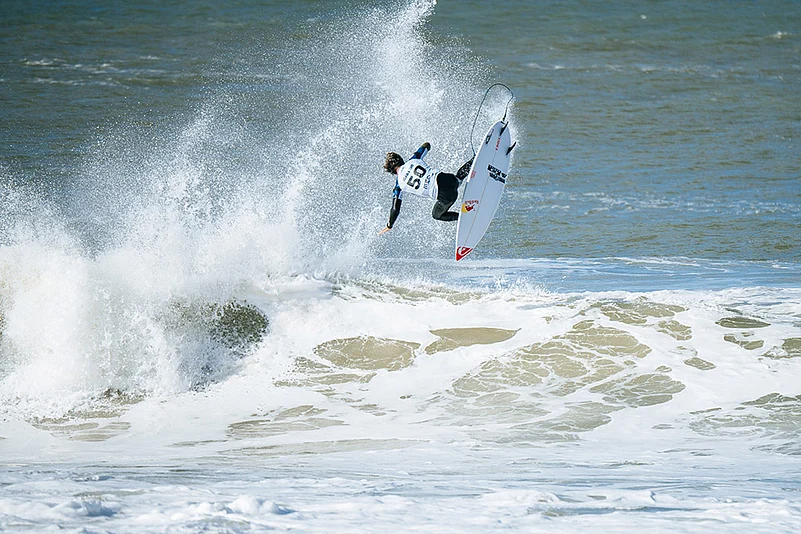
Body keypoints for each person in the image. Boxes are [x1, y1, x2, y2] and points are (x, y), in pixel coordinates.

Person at [378, 142, 473, 235]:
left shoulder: (399, 186)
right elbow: (426, 145)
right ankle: (474, 161)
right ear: (401, 159)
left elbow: (395, 209)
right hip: (449, 179)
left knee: (436, 215)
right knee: (458, 178)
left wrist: (389, 225)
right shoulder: (414, 159)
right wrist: (422, 147)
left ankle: (465, 217)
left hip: (446, 196)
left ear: (392, 172)